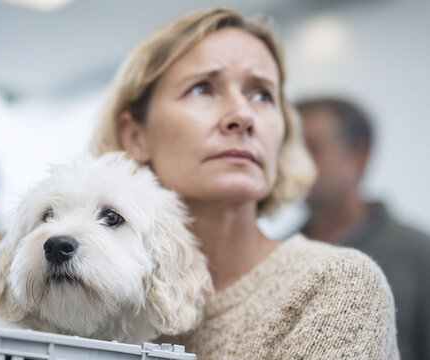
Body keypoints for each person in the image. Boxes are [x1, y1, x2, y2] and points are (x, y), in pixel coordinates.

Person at [89, 8, 399, 359]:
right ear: (135, 136)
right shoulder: (98, 301)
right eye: (202, 88)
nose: (242, 116)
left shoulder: (335, 285)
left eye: (263, 95)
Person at [297, 97, 430, 360]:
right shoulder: (278, 255)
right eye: (288, 151)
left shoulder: (420, 255)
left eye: (311, 149)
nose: (295, 164)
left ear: (359, 156)